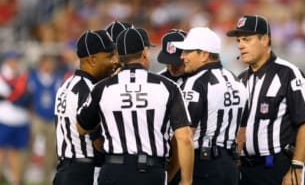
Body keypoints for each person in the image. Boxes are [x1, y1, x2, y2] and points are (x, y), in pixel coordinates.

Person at [76, 28, 194, 185]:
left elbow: (82, 127)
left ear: (118, 56)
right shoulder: (167, 86)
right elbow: (184, 137)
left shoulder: (102, 88)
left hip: (113, 170)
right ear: (144, 53)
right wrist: (186, 181)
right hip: (150, 172)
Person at [226, 15, 305, 185]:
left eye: (247, 39)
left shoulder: (288, 73)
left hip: (277, 167)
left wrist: (296, 166)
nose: (240, 45)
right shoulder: (240, 80)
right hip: (246, 169)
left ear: (265, 39)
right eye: (238, 40)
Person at [172, 27, 247, 185]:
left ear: (204, 54)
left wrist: (180, 177)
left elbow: (186, 136)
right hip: (230, 166)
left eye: (188, 51)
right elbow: (242, 132)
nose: (182, 56)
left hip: (203, 166)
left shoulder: (195, 83)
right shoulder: (236, 79)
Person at [53, 30, 118, 185]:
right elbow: (98, 142)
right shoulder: (91, 90)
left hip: (65, 169)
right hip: (83, 171)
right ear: (93, 59)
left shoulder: (66, 85)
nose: (114, 61)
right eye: (109, 56)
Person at [157, 29, 187, 185]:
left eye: (176, 61)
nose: (172, 67)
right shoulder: (158, 81)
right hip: (167, 155)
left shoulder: (201, 79)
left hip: (196, 156)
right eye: (168, 61)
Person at [26, 53, 62, 185]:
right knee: (30, 145)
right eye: (48, 62)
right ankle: (25, 172)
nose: (51, 65)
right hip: (37, 117)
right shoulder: (33, 77)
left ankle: (47, 178)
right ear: (42, 63)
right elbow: (28, 97)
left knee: (51, 150)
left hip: (51, 117)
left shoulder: (57, 78)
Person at [0, 50, 31, 185]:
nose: (16, 62)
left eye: (17, 59)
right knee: (1, 151)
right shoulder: (3, 76)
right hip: (4, 118)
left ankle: (16, 181)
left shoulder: (22, 75)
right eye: (13, 59)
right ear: (7, 60)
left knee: (16, 152)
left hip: (21, 119)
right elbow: (13, 96)